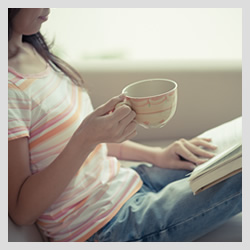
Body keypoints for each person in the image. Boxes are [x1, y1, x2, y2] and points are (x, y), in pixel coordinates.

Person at [8, 8, 242, 242]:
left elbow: (89, 148)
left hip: (127, 182)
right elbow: (22, 212)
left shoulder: (35, 51)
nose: (48, 7)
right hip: (105, 226)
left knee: (220, 153)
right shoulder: (8, 90)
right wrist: (84, 139)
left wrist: (157, 155)